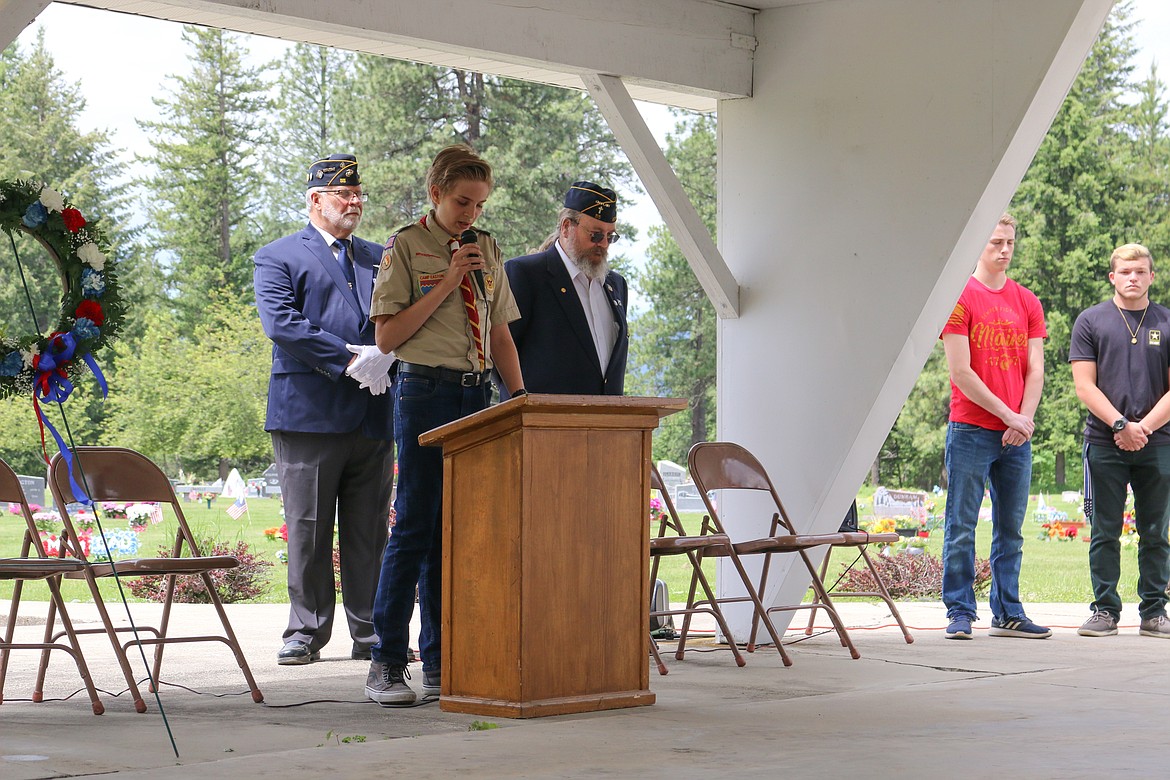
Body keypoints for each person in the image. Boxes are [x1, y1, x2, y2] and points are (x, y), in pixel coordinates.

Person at [365, 144, 525, 705]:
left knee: (454, 530)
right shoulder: (406, 247)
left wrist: (520, 397)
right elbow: (387, 337)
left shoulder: (488, 249)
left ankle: (440, 660)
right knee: (414, 523)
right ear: (435, 194)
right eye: (462, 202)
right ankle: (386, 661)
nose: (471, 215)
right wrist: (445, 281)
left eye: (480, 205)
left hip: (476, 393)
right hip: (424, 390)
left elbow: (501, 330)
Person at [254, 154, 397, 665]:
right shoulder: (279, 256)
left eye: (358, 193)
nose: (354, 202)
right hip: (308, 414)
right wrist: (349, 359)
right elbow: (282, 325)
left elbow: (401, 319)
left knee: (369, 531)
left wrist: (388, 354)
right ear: (316, 199)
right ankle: (304, 632)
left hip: (373, 414)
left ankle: (372, 632)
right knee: (309, 528)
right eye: (344, 194)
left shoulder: (381, 257)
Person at [940, 214, 1050, 640]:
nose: (1004, 250)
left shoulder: (1027, 301)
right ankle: (960, 613)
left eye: (1009, 242)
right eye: (995, 242)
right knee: (961, 524)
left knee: (1011, 528)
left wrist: (1024, 421)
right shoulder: (960, 296)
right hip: (971, 428)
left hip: (1016, 435)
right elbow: (961, 372)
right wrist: (1010, 416)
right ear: (978, 246)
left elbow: (1036, 369)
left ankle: (1008, 612)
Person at [1070, 243, 1170, 639]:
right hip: (1104, 442)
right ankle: (1105, 610)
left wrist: (1142, 427)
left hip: (1159, 443)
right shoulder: (1091, 321)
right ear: (1113, 276)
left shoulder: (1166, 320)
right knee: (1105, 531)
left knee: (1156, 531)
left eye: (1140, 271)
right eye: (1125, 271)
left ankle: (1155, 612)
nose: (1133, 277)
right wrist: (1119, 425)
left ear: (1151, 276)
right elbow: (1084, 386)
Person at [502, 181, 628, 397]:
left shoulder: (616, 285)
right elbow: (500, 349)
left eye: (611, 236)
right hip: (542, 422)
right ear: (566, 227)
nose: (604, 244)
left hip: (607, 423)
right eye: (596, 235)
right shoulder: (526, 274)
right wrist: (518, 404)